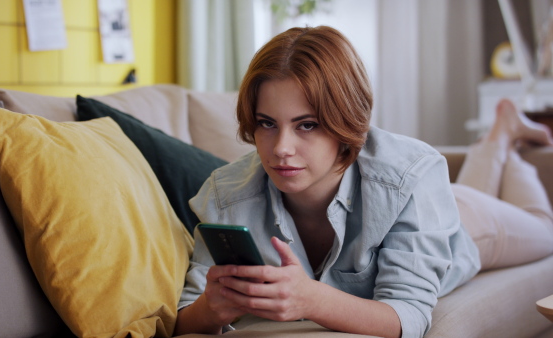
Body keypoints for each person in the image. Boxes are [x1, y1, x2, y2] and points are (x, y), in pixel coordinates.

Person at [174, 26, 553, 338]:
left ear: (346, 123)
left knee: (546, 228)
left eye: (307, 125)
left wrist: (312, 300)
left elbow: (410, 316)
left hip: (468, 227)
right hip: (425, 204)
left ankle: (504, 135)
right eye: (267, 123)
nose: (281, 149)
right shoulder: (226, 195)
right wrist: (211, 308)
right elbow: (183, 319)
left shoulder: (410, 176)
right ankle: (502, 133)